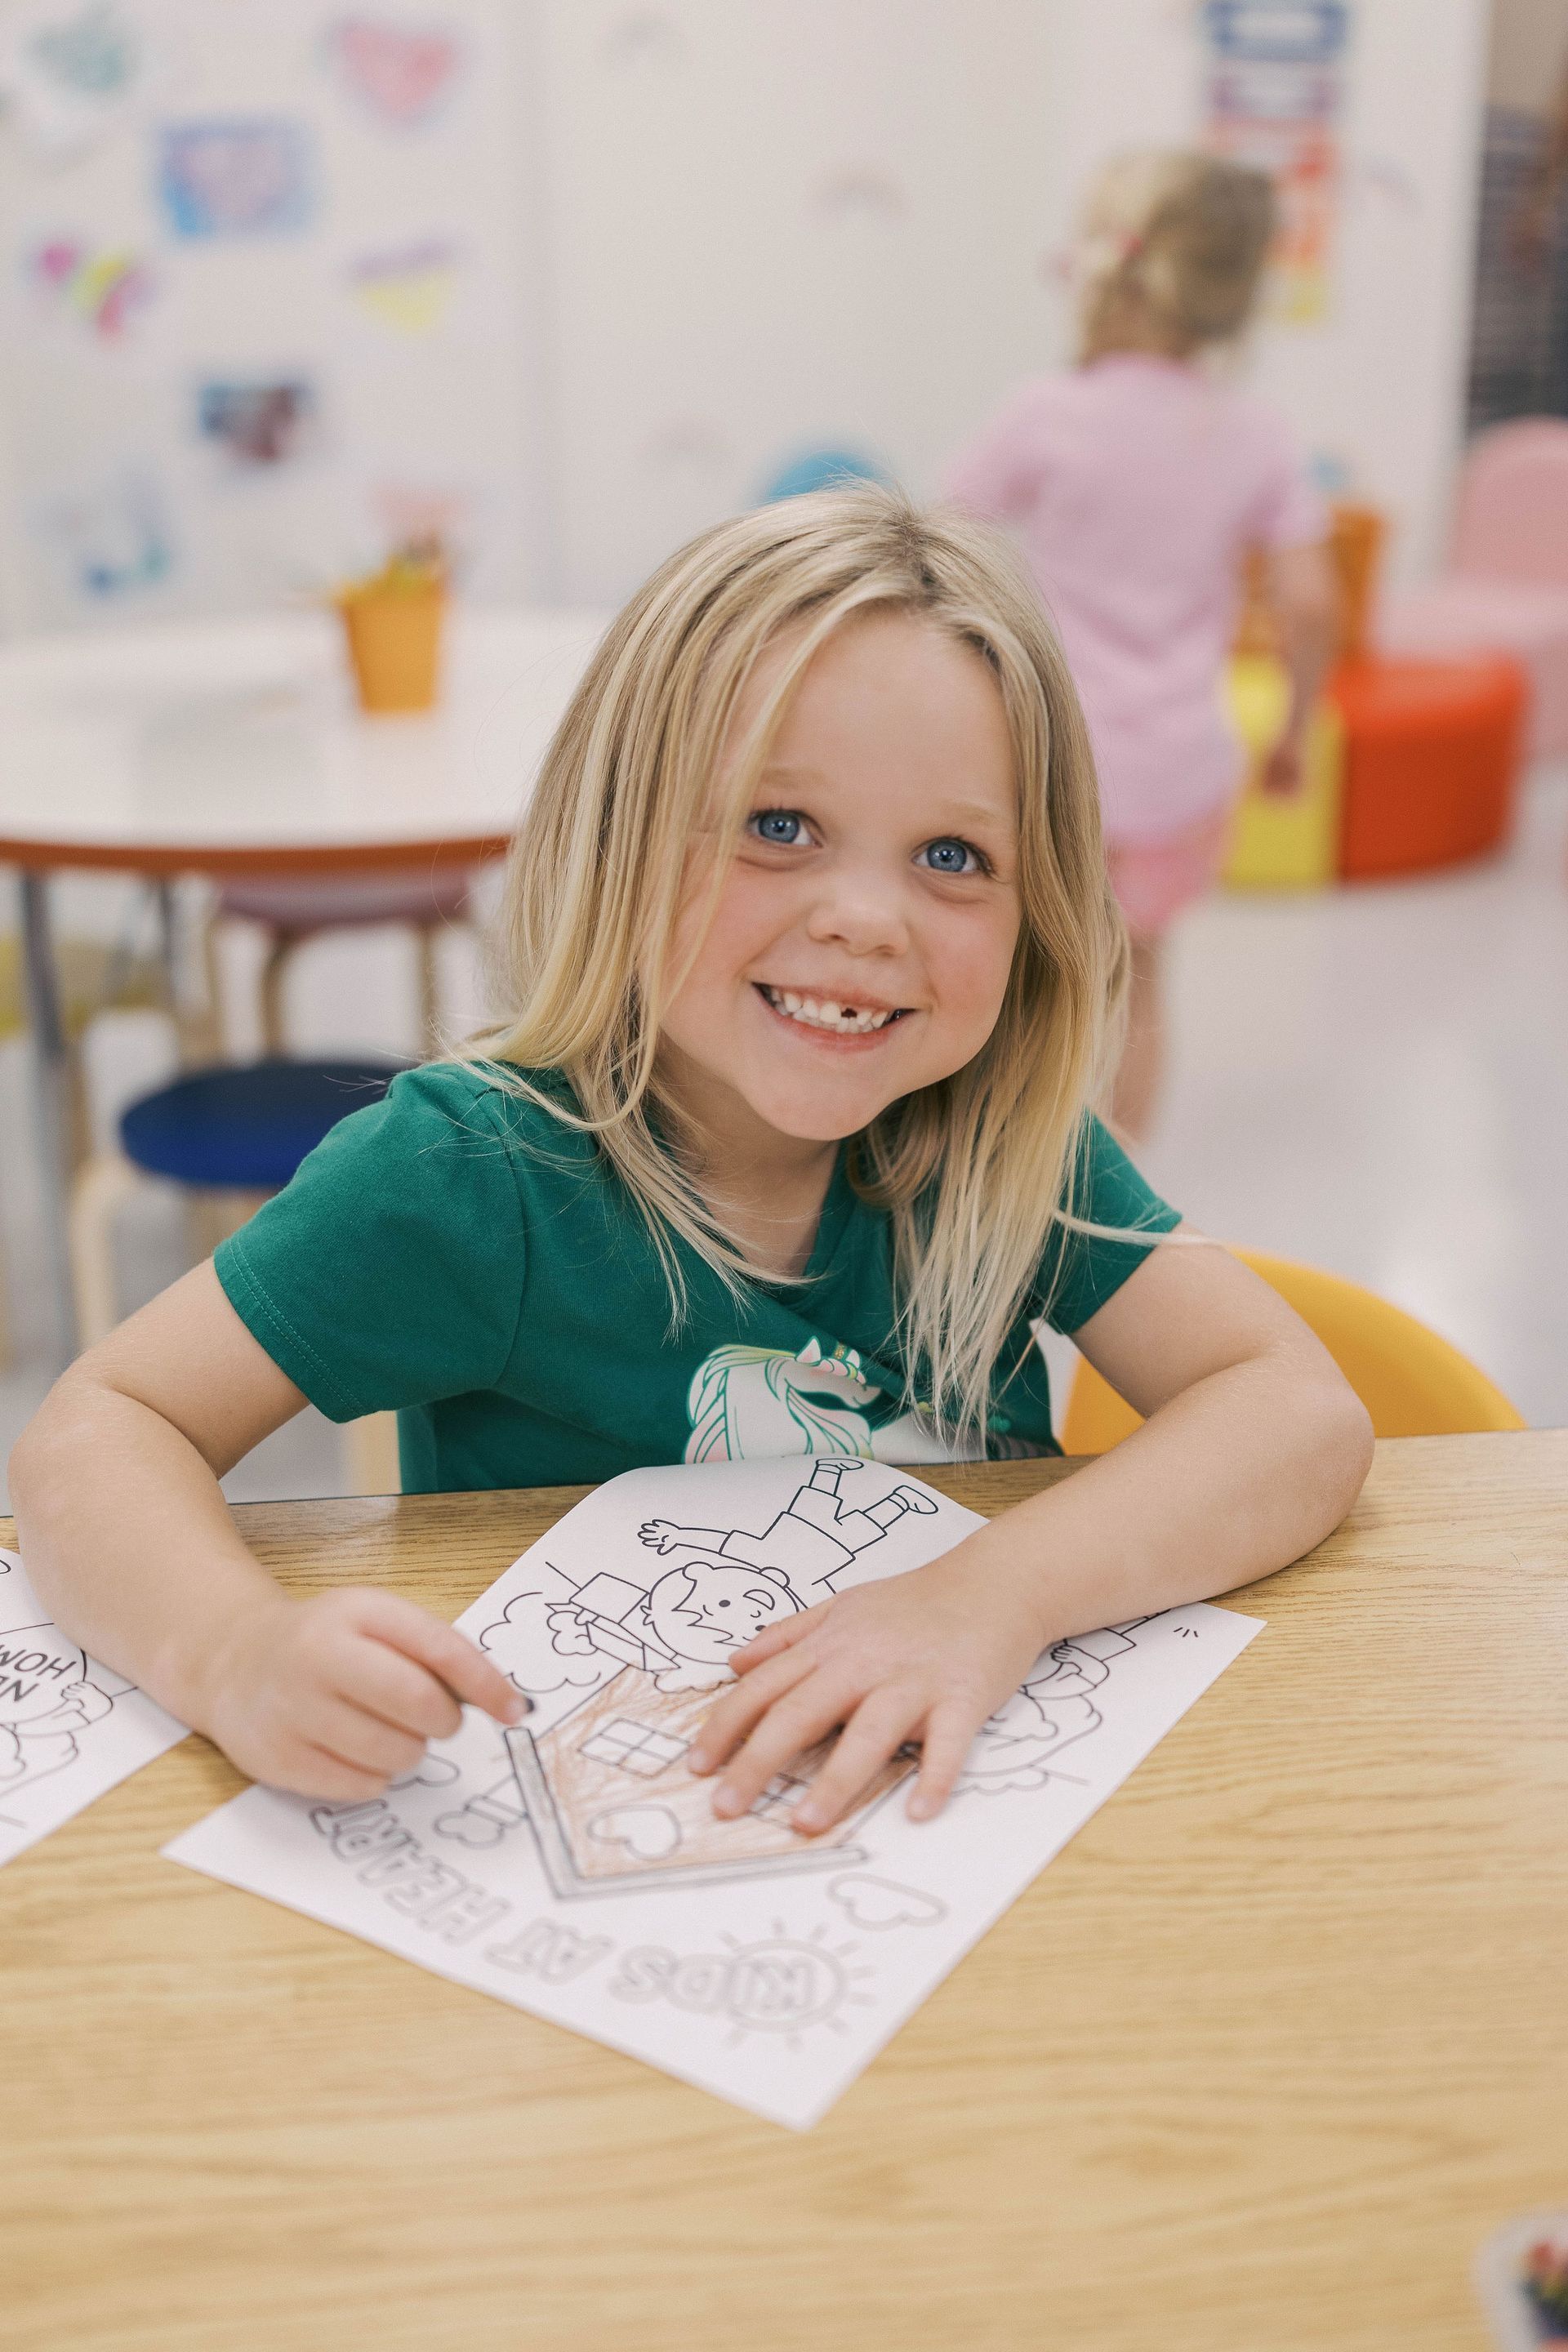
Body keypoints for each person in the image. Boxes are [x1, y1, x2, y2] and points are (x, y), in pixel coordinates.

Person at [9, 488, 1371, 1834]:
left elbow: (1296, 1412)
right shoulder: (469, 1173)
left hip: (967, 1818)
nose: (862, 919)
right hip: (616, 1824)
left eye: (953, 855)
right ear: (620, 830)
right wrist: (234, 1653)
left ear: (1040, 914)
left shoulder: (1009, 1145)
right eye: (780, 827)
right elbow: (102, 1429)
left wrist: (990, 1595)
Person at [947, 150, 1338, 1137]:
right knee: (1141, 983)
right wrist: (1293, 731)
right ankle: (1116, 1201)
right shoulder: (1254, 433)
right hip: (1174, 775)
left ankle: (999, 1175)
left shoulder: (1049, 412)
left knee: (1018, 976)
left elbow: (932, 546)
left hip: (1044, 760)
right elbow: (1314, 603)